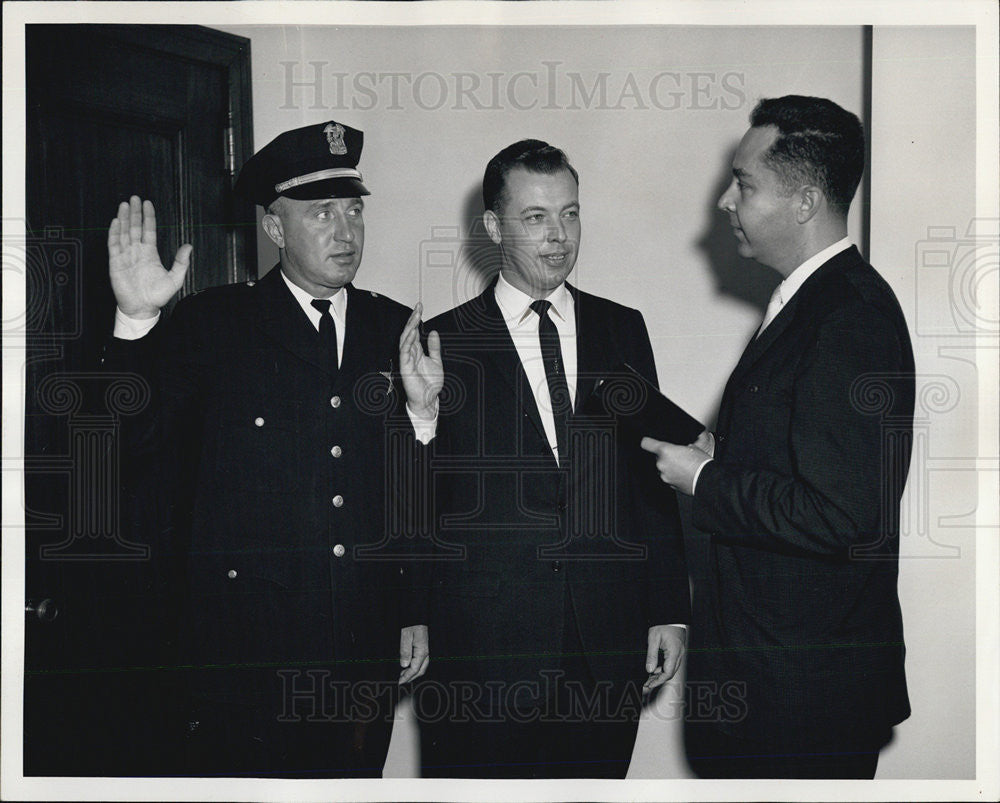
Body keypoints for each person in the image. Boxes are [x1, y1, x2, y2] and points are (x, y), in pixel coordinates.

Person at [103, 120, 442, 777]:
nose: (346, 232)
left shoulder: (391, 327)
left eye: (353, 210)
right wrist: (137, 323)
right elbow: (127, 444)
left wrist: (413, 608)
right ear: (275, 228)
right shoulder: (214, 324)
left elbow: (410, 490)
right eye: (321, 213)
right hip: (247, 656)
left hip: (360, 652)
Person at [641, 95, 914, 779]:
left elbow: (844, 514)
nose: (728, 201)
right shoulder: (816, 301)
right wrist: (716, 454)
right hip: (781, 689)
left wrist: (705, 479)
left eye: (745, 182)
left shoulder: (849, 316)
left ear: (805, 200)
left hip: (802, 704)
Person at [416, 140, 691, 778]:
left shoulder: (624, 329)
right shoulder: (443, 341)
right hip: (484, 655)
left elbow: (649, 477)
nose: (559, 236)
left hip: (606, 639)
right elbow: (418, 496)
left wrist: (668, 609)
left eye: (569, 214)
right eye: (536, 217)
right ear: (492, 227)